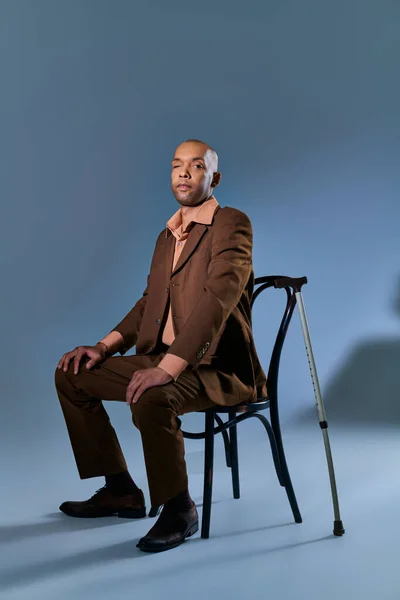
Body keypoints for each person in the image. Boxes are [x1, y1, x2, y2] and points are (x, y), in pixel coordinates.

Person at [55, 139, 267, 553]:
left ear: (214, 178)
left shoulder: (232, 224)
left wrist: (166, 369)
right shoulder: (166, 236)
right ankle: (120, 489)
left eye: (197, 166)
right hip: (165, 358)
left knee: (152, 398)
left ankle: (180, 508)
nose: (185, 173)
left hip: (218, 368)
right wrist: (103, 346)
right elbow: (148, 303)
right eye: (177, 165)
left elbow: (217, 300)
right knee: (72, 375)